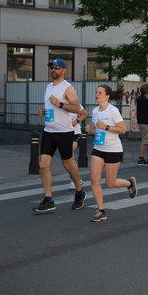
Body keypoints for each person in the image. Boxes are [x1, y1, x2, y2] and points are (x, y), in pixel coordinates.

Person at [33, 58, 85, 213]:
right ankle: (48, 199)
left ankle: (79, 191)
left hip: (64, 132)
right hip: (49, 131)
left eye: (56, 67)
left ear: (63, 70)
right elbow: (52, 109)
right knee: (43, 164)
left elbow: (77, 109)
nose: (53, 70)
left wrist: (60, 104)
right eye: (51, 67)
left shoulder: (68, 88)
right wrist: (44, 111)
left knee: (68, 165)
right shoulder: (48, 87)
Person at [85, 85, 138, 222]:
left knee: (110, 183)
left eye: (100, 93)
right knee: (94, 179)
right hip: (98, 148)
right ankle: (100, 211)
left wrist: (107, 127)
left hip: (113, 149)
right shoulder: (95, 110)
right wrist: (90, 129)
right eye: (96, 92)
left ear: (107, 96)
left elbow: (122, 129)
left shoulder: (113, 110)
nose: (97, 95)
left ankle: (129, 183)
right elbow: (96, 131)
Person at [68, 104, 88, 190]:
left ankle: (73, 180)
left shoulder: (75, 103)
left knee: (68, 154)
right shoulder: (59, 104)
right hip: (64, 134)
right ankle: (77, 179)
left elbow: (84, 114)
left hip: (76, 133)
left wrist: (76, 121)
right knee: (68, 159)